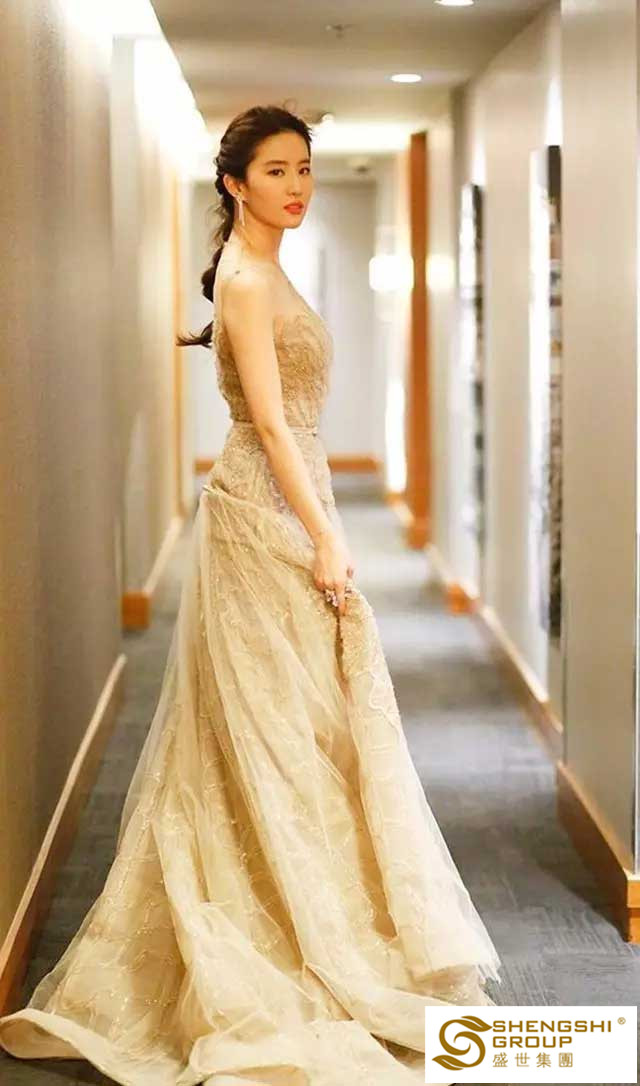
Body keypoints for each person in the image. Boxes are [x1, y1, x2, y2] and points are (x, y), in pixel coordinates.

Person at [0, 104, 502, 1085]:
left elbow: (289, 428)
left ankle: (322, 916)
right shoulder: (242, 278)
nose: (297, 186)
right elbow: (270, 426)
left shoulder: (265, 269)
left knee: (304, 720)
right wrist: (325, 536)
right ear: (235, 183)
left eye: (303, 168)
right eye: (276, 170)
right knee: (276, 722)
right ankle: (283, 933)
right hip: (265, 509)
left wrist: (322, 522)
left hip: (291, 495)